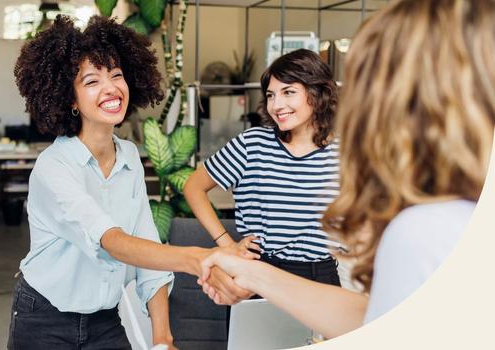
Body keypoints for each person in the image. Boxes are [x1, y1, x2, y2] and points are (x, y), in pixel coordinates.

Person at [198, 0, 495, 339]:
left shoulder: (422, 230)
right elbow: (375, 319)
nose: (364, 106)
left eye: (375, 83)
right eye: (271, 95)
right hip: (267, 269)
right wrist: (245, 267)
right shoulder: (432, 220)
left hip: (320, 271)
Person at [9, 16, 256, 349]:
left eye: (116, 75)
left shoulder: (128, 158)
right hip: (43, 318)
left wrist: (163, 338)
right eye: (92, 81)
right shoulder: (54, 167)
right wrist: (197, 258)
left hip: (104, 319)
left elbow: (145, 244)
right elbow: (111, 240)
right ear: (69, 98)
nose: (111, 88)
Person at [183, 49, 342, 304]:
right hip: (258, 274)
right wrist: (226, 243)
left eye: (288, 92)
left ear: (317, 93)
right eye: (271, 95)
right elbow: (193, 187)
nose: (277, 105)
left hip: (320, 277)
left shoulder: (343, 153)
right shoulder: (252, 144)